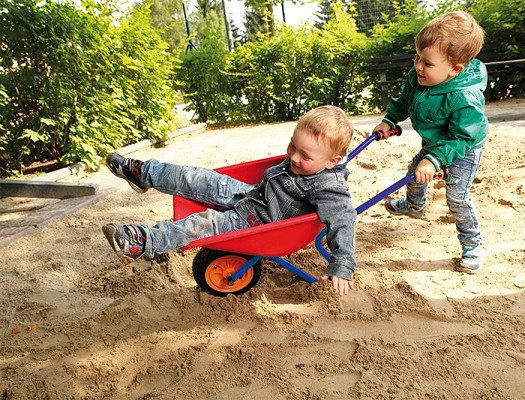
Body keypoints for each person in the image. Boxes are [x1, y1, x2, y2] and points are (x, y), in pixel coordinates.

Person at [102, 105, 357, 296]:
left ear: (333, 161)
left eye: (305, 155)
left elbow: (344, 219)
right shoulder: (310, 161)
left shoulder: (330, 188)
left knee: (203, 224)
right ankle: (143, 174)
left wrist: (342, 263)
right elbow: (296, 162)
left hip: (258, 223)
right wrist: (303, 157)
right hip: (252, 194)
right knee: (200, 178)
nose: (293, 157)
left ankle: (141, 242)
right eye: (292, 147)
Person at [372, 11, 488, 274]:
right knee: (415, 171)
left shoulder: (466, 98)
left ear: (455, 69)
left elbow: (461, 137)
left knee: (457, 197)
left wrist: (434, 159)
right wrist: (390, 120)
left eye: (427, 62)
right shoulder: (420, 76)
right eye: (417, 58)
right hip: (437, 138)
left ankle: (473, 245)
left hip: (464, 146)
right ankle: (414, 206)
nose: (418, 66)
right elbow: (404, 100)